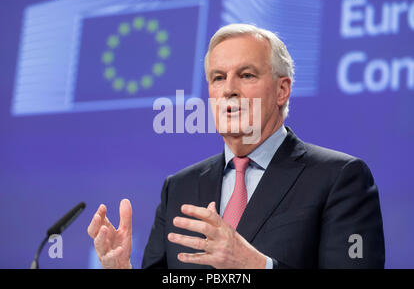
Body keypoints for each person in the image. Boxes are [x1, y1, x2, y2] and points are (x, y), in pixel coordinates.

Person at [87, 24, 385, 269]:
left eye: (246, 75)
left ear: (282, 90)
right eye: (218, 78)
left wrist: (256, 265)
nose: (229, 89)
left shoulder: (339, 177)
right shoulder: (179, 187)